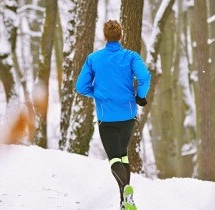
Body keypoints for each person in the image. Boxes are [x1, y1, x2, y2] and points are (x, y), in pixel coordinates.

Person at [75, 20, 151, 210]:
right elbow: (144, 77)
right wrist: (140, 96)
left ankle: (126, 191)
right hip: (128, 115)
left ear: (105, 37)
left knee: (115, 159)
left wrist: (98, 94)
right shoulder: (131, 57)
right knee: (123, 156)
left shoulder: (94, 59)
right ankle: (124, 202)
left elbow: (80, 87)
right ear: (121, 36)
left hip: (107, 117)